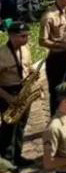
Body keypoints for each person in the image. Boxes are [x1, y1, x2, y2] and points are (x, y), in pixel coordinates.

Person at [0, 21, 35, 168]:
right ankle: (7, 162)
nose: (26, 39)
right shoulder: (2, 54)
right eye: (22, 36)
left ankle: (17, 156)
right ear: (12, 36)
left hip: (23, 91)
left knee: (20, 126)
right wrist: (8, 97)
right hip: (8, 93)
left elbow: (28, 67)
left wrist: (33, 74)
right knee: (8, 129)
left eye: (27, 35)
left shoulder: (25, 48)